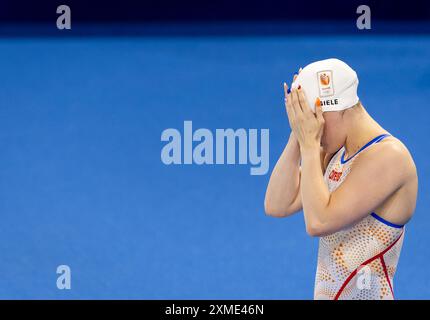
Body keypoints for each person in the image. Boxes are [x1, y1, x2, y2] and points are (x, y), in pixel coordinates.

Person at [264, 58, 418, 300]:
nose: (312, 129)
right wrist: (298, 133)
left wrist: (309, 145)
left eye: (314, 119)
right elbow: (277, 204)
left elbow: (319, 222)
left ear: (331, 110)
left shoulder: (389, 156)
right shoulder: (335, 153)